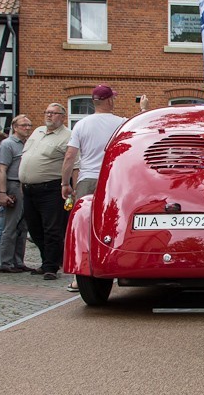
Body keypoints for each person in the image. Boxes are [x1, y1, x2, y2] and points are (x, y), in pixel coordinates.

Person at [61, 86, 148, 291]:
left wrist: (65, 183)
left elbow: (70, 156)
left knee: (83, 226)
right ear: (109, 101)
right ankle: (115, 264)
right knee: (114, 224)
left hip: (87, 178)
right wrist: (143, 109)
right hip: (113, 180)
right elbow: (143, 133)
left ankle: (80, 277)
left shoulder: (81, 124)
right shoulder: (121, 123)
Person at [20, 102, 72, 281]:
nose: (49, 115)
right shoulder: (38, 131)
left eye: (54, 113)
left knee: (52, 229)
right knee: (34, 229)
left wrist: (70, 187)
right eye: (47, 112)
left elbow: (73, 163)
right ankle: (47, 260)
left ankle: (51, 266)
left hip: (51, 188)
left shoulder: (67, 136)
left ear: (62, 117)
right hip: (29, 189)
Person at [0, 116, 33, 273]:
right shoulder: (7, 144)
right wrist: (3, 193)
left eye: (29, 125)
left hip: (25, 185)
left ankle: (18, 261)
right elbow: (1, 169)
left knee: (23, 226)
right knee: (10, 226)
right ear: (15, 127)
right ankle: (5, 262)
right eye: (24, 125)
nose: (27, 128)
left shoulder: (28, 143)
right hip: (13, 185)